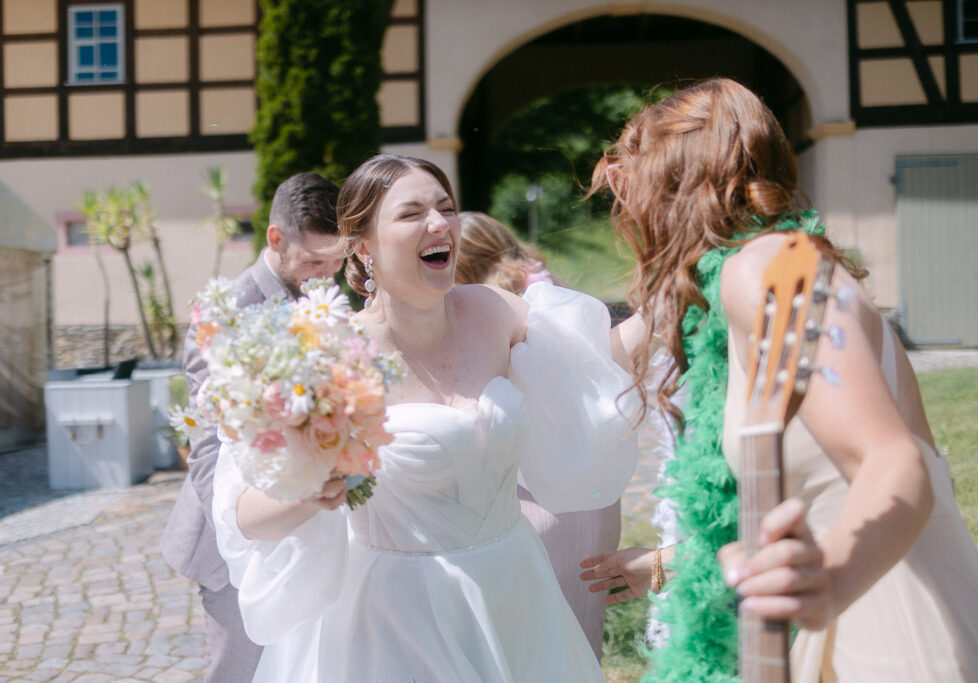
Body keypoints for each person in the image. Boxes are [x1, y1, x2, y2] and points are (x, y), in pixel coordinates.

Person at [585, 77, 978, 681]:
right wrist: (659, 567)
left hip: (884, 624)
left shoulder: (764, 269)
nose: (623, 207)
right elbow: (795, 505)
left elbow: (894, 462)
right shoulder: (763, 275)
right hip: (855, 600)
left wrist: (831, 579)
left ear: (673, 181)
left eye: (628, 177)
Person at [209, 154, 650, 681]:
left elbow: (598, 360)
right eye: (411, 213)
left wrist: (678, 286)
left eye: (446, 207)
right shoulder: (326, 353)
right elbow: (244, 513)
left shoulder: (494, 311)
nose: (439, 224)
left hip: (515, 592)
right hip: (397, 618)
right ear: (362, 245)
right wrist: (310, 491)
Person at [160, 171, 347, 682]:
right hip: (238, 541)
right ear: (275, 238)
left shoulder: (329, 298)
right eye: (313, 261)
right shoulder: (224, 310)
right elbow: (205, 447)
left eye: (338, 261)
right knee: (239, 673)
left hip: (318, 528)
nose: (326, 274)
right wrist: (246, 540)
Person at [455, 210, 621, 657]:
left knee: (530, 641)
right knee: (576, 638)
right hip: (589, 495)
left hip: (538, 497)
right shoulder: (550, 292)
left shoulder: (499, 311)